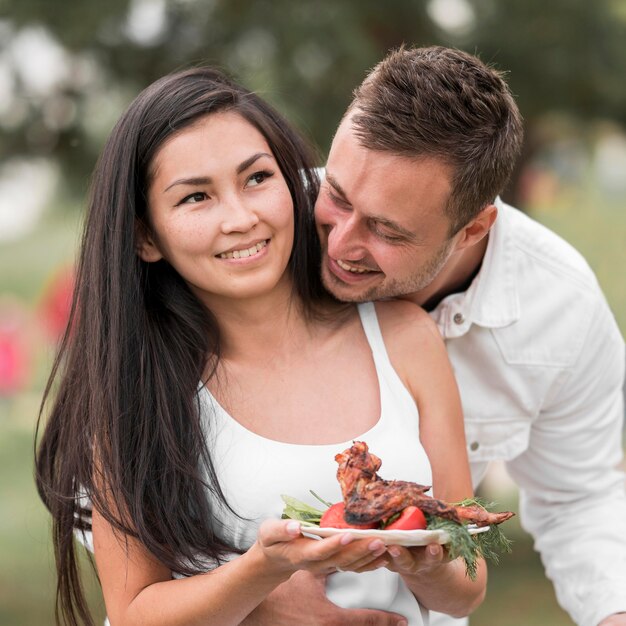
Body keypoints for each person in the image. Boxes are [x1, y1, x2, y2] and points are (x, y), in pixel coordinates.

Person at [35, 66, 488, 626]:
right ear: (145, 236)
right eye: (196, 197)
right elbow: (134, 615)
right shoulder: (136, 391)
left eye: (256, 179)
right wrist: (261, 574)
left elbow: (468, 587)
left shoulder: (403, 338)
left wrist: (422, 561)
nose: (242, 218)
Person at [244, 46, 626, 626]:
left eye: (386, 230)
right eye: (338, 197)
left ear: (473, 228)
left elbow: (582, 500)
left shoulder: (560, 308)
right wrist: (248, 602)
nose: (341, 244)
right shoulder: (253, 236)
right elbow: (105, 486)